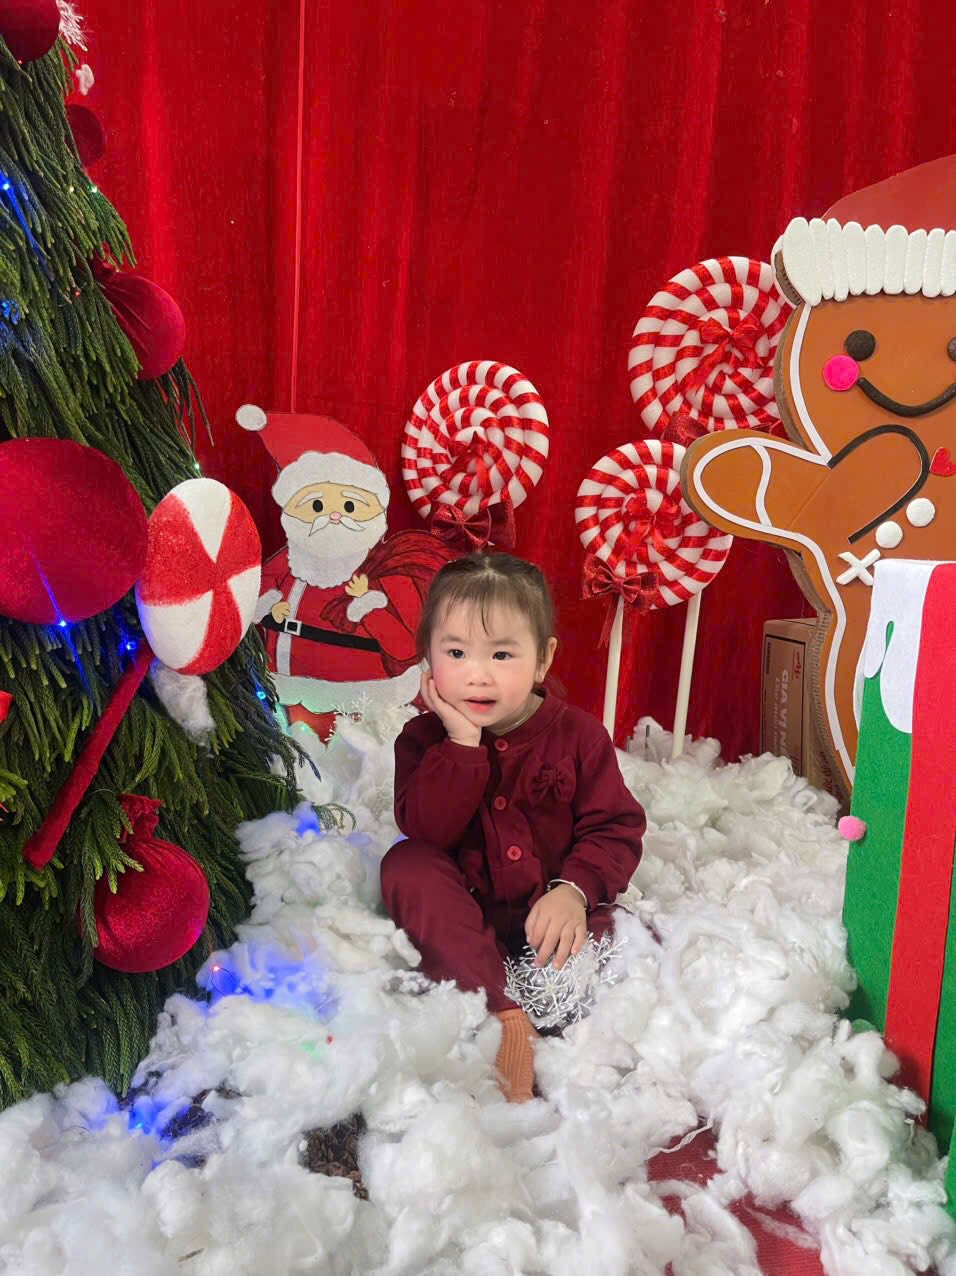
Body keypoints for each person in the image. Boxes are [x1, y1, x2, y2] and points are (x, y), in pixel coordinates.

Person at [381, 552, 646, 1103]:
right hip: (466, 922)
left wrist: (574, 891)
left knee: (631, 942)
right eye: (456, 653)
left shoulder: (579, 736)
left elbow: (614, 827)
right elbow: (427, 829)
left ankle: (553, 1008)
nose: (478, 674)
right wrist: (461, 743)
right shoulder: (421, 741)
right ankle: (505, 1018)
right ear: (428, 659)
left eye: (502, 654)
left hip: (554, 921)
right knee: (406, 864)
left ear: (542, 659)